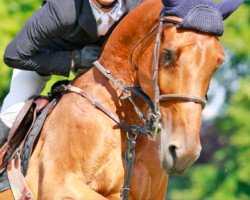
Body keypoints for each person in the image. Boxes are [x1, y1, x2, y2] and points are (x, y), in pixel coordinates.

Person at [0, 0, 142, 191]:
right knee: (13, 114)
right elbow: (14, 54)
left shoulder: (134, 4)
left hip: (97, 64)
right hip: (42, 57)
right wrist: (72, 60)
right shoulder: (63, 8)